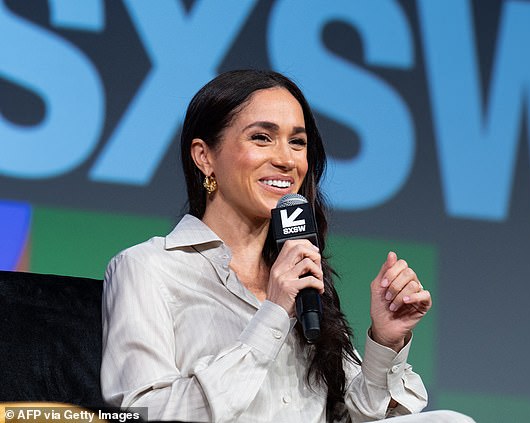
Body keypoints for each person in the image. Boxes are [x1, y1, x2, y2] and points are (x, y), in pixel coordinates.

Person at [101, 69, 474, 423]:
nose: (286, 160)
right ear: (205, 157)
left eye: (297, 142)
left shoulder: (302, 276)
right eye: (261, 137)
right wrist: (273, 314)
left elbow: (355, 416)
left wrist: (385, 341)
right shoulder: (148, 267)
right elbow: (143, 412)